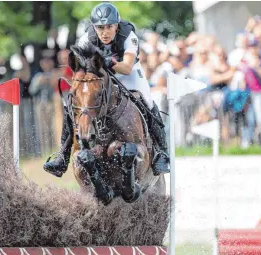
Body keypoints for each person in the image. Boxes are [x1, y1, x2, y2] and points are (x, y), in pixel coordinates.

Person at [44, 2, 170, 177]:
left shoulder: (128, 35)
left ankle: (161, 153)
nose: (104, 32)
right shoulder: (86, 38)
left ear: (116, 25)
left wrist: (107, 61)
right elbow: (82, 70)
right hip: (101, 75)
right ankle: (62, 156)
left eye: (109, 27)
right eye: (100, 27)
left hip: (129, 73)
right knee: (70, 105)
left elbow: (126, 67)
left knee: (147, 100)